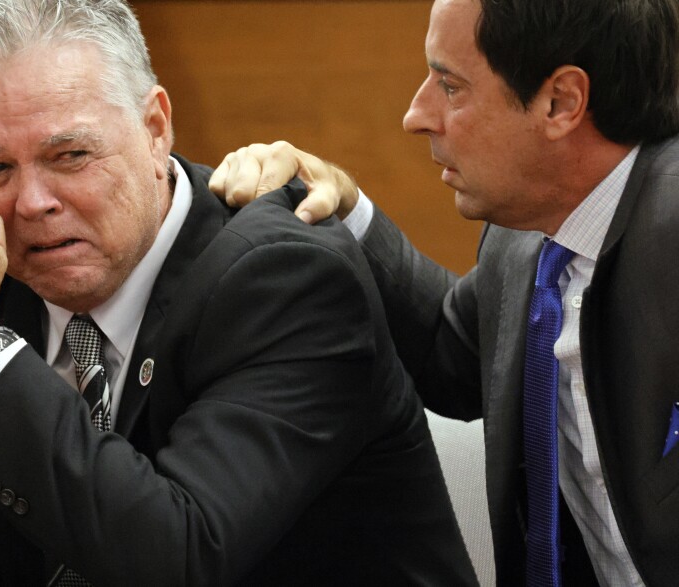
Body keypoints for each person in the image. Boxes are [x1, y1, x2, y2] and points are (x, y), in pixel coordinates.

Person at [0, 1, 476, 585]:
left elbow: (175, 557)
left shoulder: (288, 280)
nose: (32, 203)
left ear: (156, 128)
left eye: (70, 156)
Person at [209, 0, 679, 585]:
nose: (416, 115)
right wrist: (343, 205)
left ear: (560, 102)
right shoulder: (522, 242)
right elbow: (448, 353)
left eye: (450, 86)